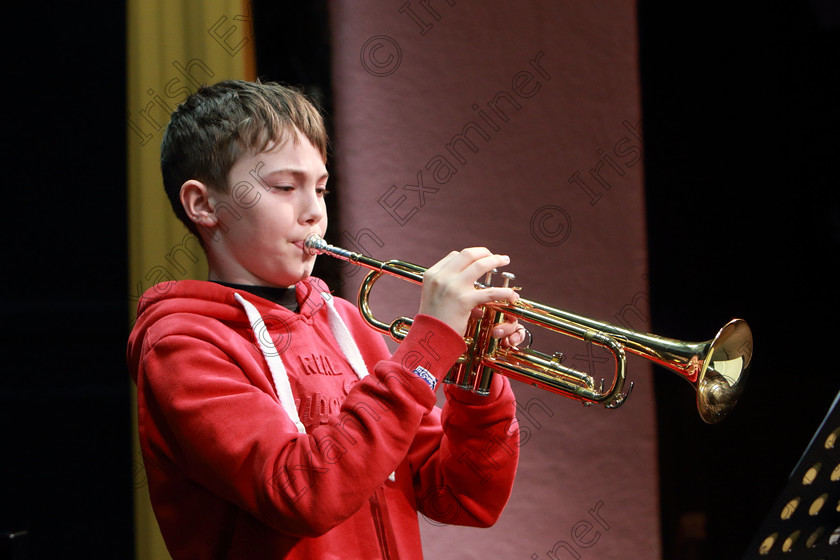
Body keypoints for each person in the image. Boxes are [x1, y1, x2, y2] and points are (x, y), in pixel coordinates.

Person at [127, 79, 523, 559]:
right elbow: (302, 494)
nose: (314, 211)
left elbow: (463, 498)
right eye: (284, 187)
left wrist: (474, 385)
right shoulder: (181, 346)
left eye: (320, 188)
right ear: (204, 205)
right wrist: (427, 349)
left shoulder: (348, 325)